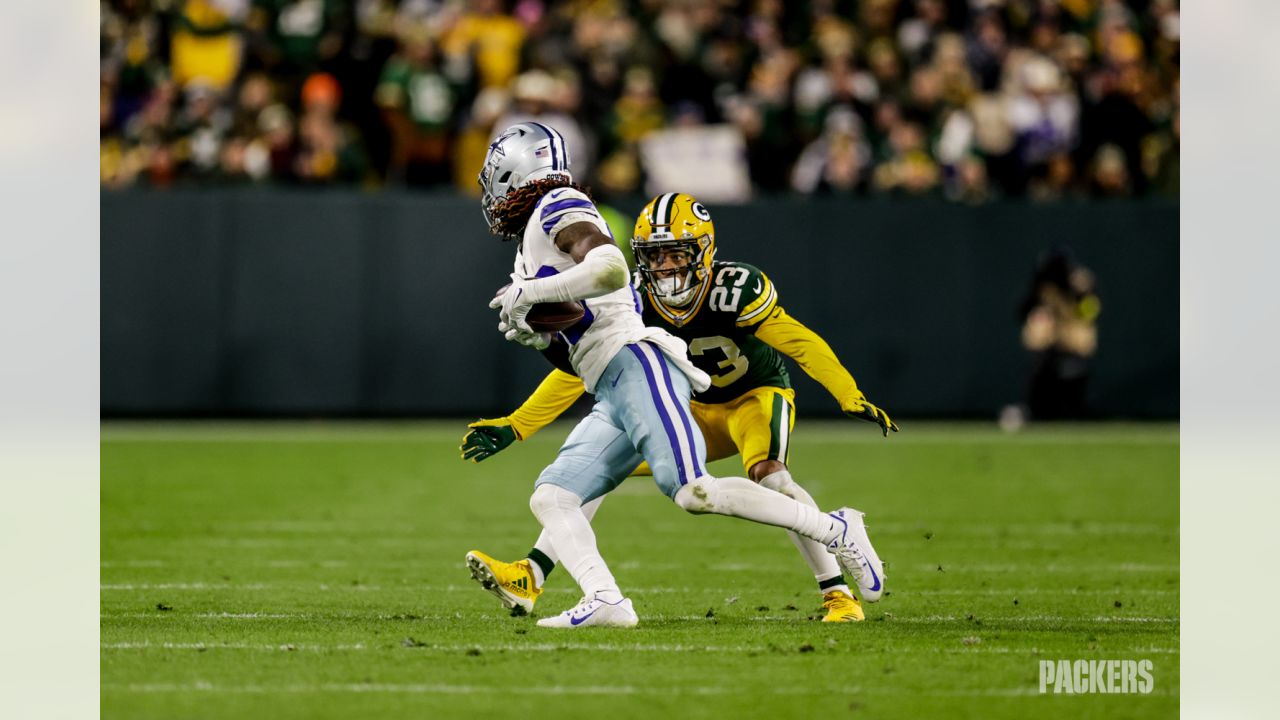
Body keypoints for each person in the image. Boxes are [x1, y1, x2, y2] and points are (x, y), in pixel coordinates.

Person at [474, 122, 885, 629]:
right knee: (554, 495)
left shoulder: (561, 206)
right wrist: (526, 399)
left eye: (676, 255)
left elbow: (608, 269)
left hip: (739, 391)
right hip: (639, 387)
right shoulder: (613, 277)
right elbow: (582, 357)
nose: (666, 267)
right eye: (656, 256)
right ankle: (578, 590)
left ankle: (836, 544)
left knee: (713, 488)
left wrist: (848, 393)